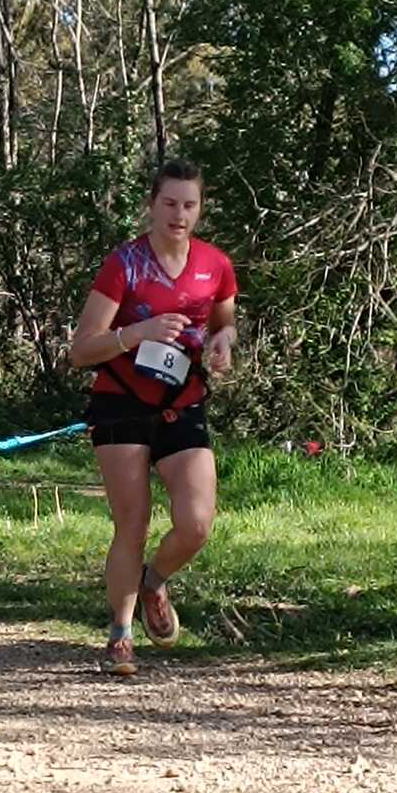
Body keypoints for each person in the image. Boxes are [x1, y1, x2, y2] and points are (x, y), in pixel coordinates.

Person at [71, 158, 238, 676]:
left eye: (189, 205)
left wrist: (223, 342)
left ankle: (153, 582)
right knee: (133, 522)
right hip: (119, 401)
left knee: (196, 523)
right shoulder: (125, 264)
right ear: (151, 205)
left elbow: (225, 320)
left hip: (181, 402)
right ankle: (121, 634)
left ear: (200, 208)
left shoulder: (215, 264)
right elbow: (82, 349)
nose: (178, 215)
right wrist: (134, 334)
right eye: (169, 203)